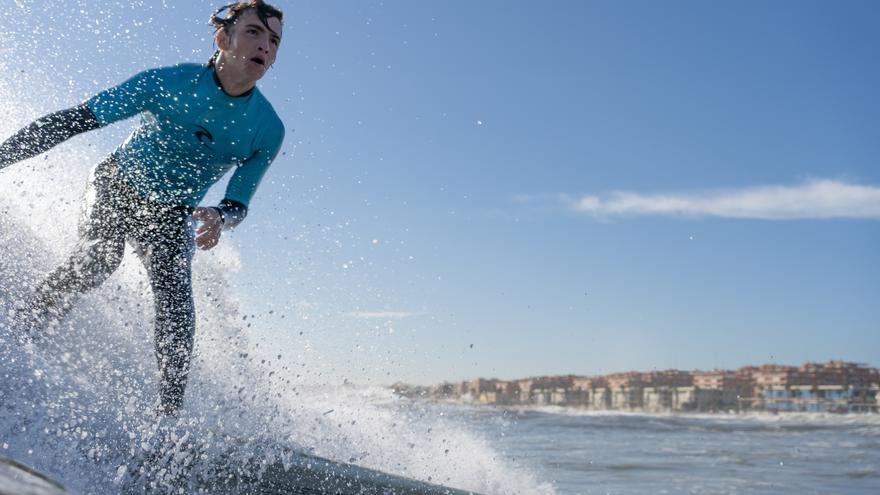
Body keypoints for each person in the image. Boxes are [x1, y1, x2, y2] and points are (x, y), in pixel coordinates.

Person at [0, 0, 285, 417]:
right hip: (117, 184)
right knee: (98, 259)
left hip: (173, 213)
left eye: (274, 40)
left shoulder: (267, 128)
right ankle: (21, 332)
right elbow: (76, 120)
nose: (266, 46)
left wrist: (220, 216)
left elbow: (238, 201)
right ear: (223, 38)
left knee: (176, 306)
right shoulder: (168, 82)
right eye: (255, 33)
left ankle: (167, 418)